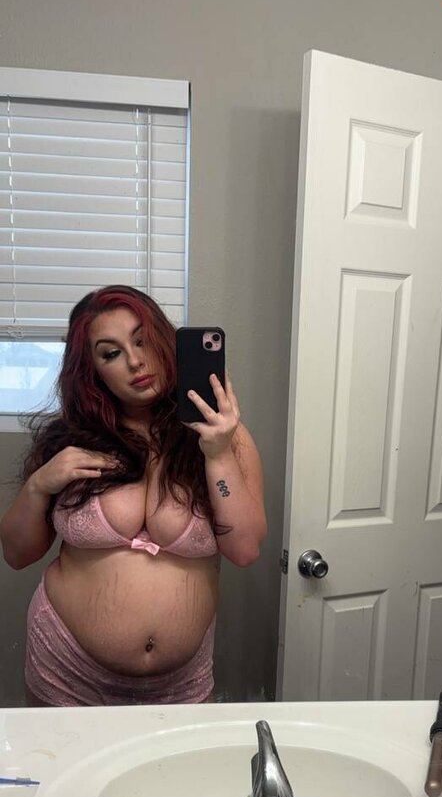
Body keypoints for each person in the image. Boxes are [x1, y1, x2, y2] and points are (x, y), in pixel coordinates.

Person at [0, 286, 267, 706]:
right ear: (92, 370)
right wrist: (39, 485)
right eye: (111, 353)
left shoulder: (225, 436)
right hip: (66, 671)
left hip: (179, 686)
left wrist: (217, 454)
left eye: (142, 341)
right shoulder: (69, 440)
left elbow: (245, 549)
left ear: (164, 340)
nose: (135, 361)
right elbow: (17, 554)